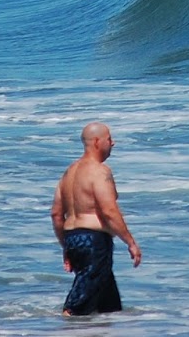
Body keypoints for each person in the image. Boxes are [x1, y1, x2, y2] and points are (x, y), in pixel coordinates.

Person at [51, 122, 140, 316]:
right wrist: (130, 242)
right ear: (97, 142)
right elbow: (109, 210)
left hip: (74, 239)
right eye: (109, 139)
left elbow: (57, 214)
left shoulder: (68, 173)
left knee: (109, 309)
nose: (113, 143)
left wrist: (66, 247)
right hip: (94, 242)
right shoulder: (100, 171)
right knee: (76, 307)